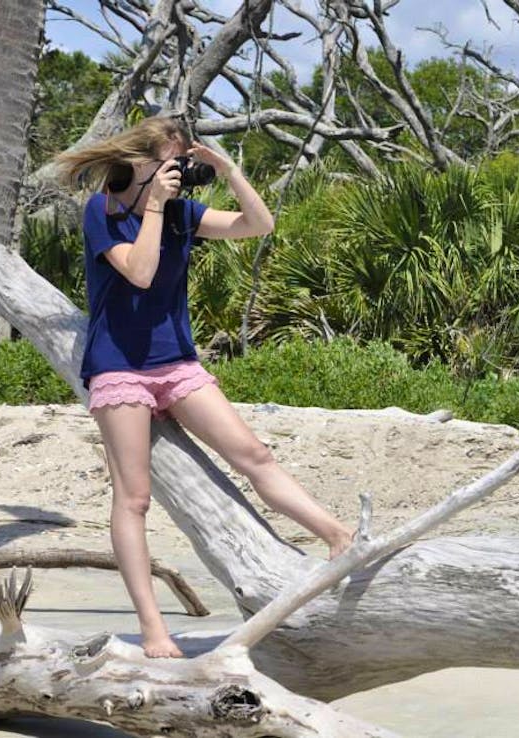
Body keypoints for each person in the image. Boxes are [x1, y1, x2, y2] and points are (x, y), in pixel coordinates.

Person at [53, 116, 354, 659]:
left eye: (185, 163)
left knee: (254, 453)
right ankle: (152, 628)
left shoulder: (181, 213)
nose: (182, 173)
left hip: (176, 363)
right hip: (119, 366)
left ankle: (338, 536)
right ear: (143, 161)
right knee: (135, 498)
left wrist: (230, 169)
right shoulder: (103, 211)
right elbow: (140, 273)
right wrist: (152, 208)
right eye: (174, 162)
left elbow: (256, 225)